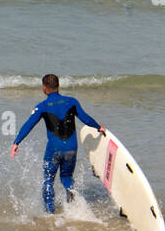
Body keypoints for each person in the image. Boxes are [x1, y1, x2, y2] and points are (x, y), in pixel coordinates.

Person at [10, 74, 105, 213]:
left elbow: (28, 125)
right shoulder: (72, 101)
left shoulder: (42, 106)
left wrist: (16, 142)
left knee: (48, 180)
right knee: (67, 178)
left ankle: (50, 213)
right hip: (71, 148)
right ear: (58, 86)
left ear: (44, 88)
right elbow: (85, 118)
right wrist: (98, 127)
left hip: (54, 149)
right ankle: (74, 210)